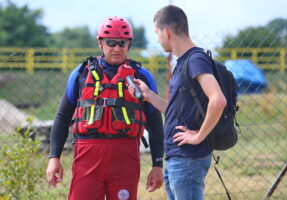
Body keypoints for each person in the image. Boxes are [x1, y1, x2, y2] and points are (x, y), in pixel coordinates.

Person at [46, 16, 164, 200]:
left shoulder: (142, 76)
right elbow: (62, 117)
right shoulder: (81, 74)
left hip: (125, 156)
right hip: (87, 155)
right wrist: (54, 158)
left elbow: (155, 123)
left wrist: (158, 165)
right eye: (111, 42)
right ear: (100, 43)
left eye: (122, 43)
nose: (117, 48)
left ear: (129, 44)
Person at [128, 5, 227, 200]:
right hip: (177, 157)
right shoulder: (183, 62)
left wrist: (198, 136)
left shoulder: (195, 60)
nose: (157, 38)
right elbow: (176, 112)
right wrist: (149, 96)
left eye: (157, 33)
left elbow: (218, 100)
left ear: (166, 32)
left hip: (188, 158)